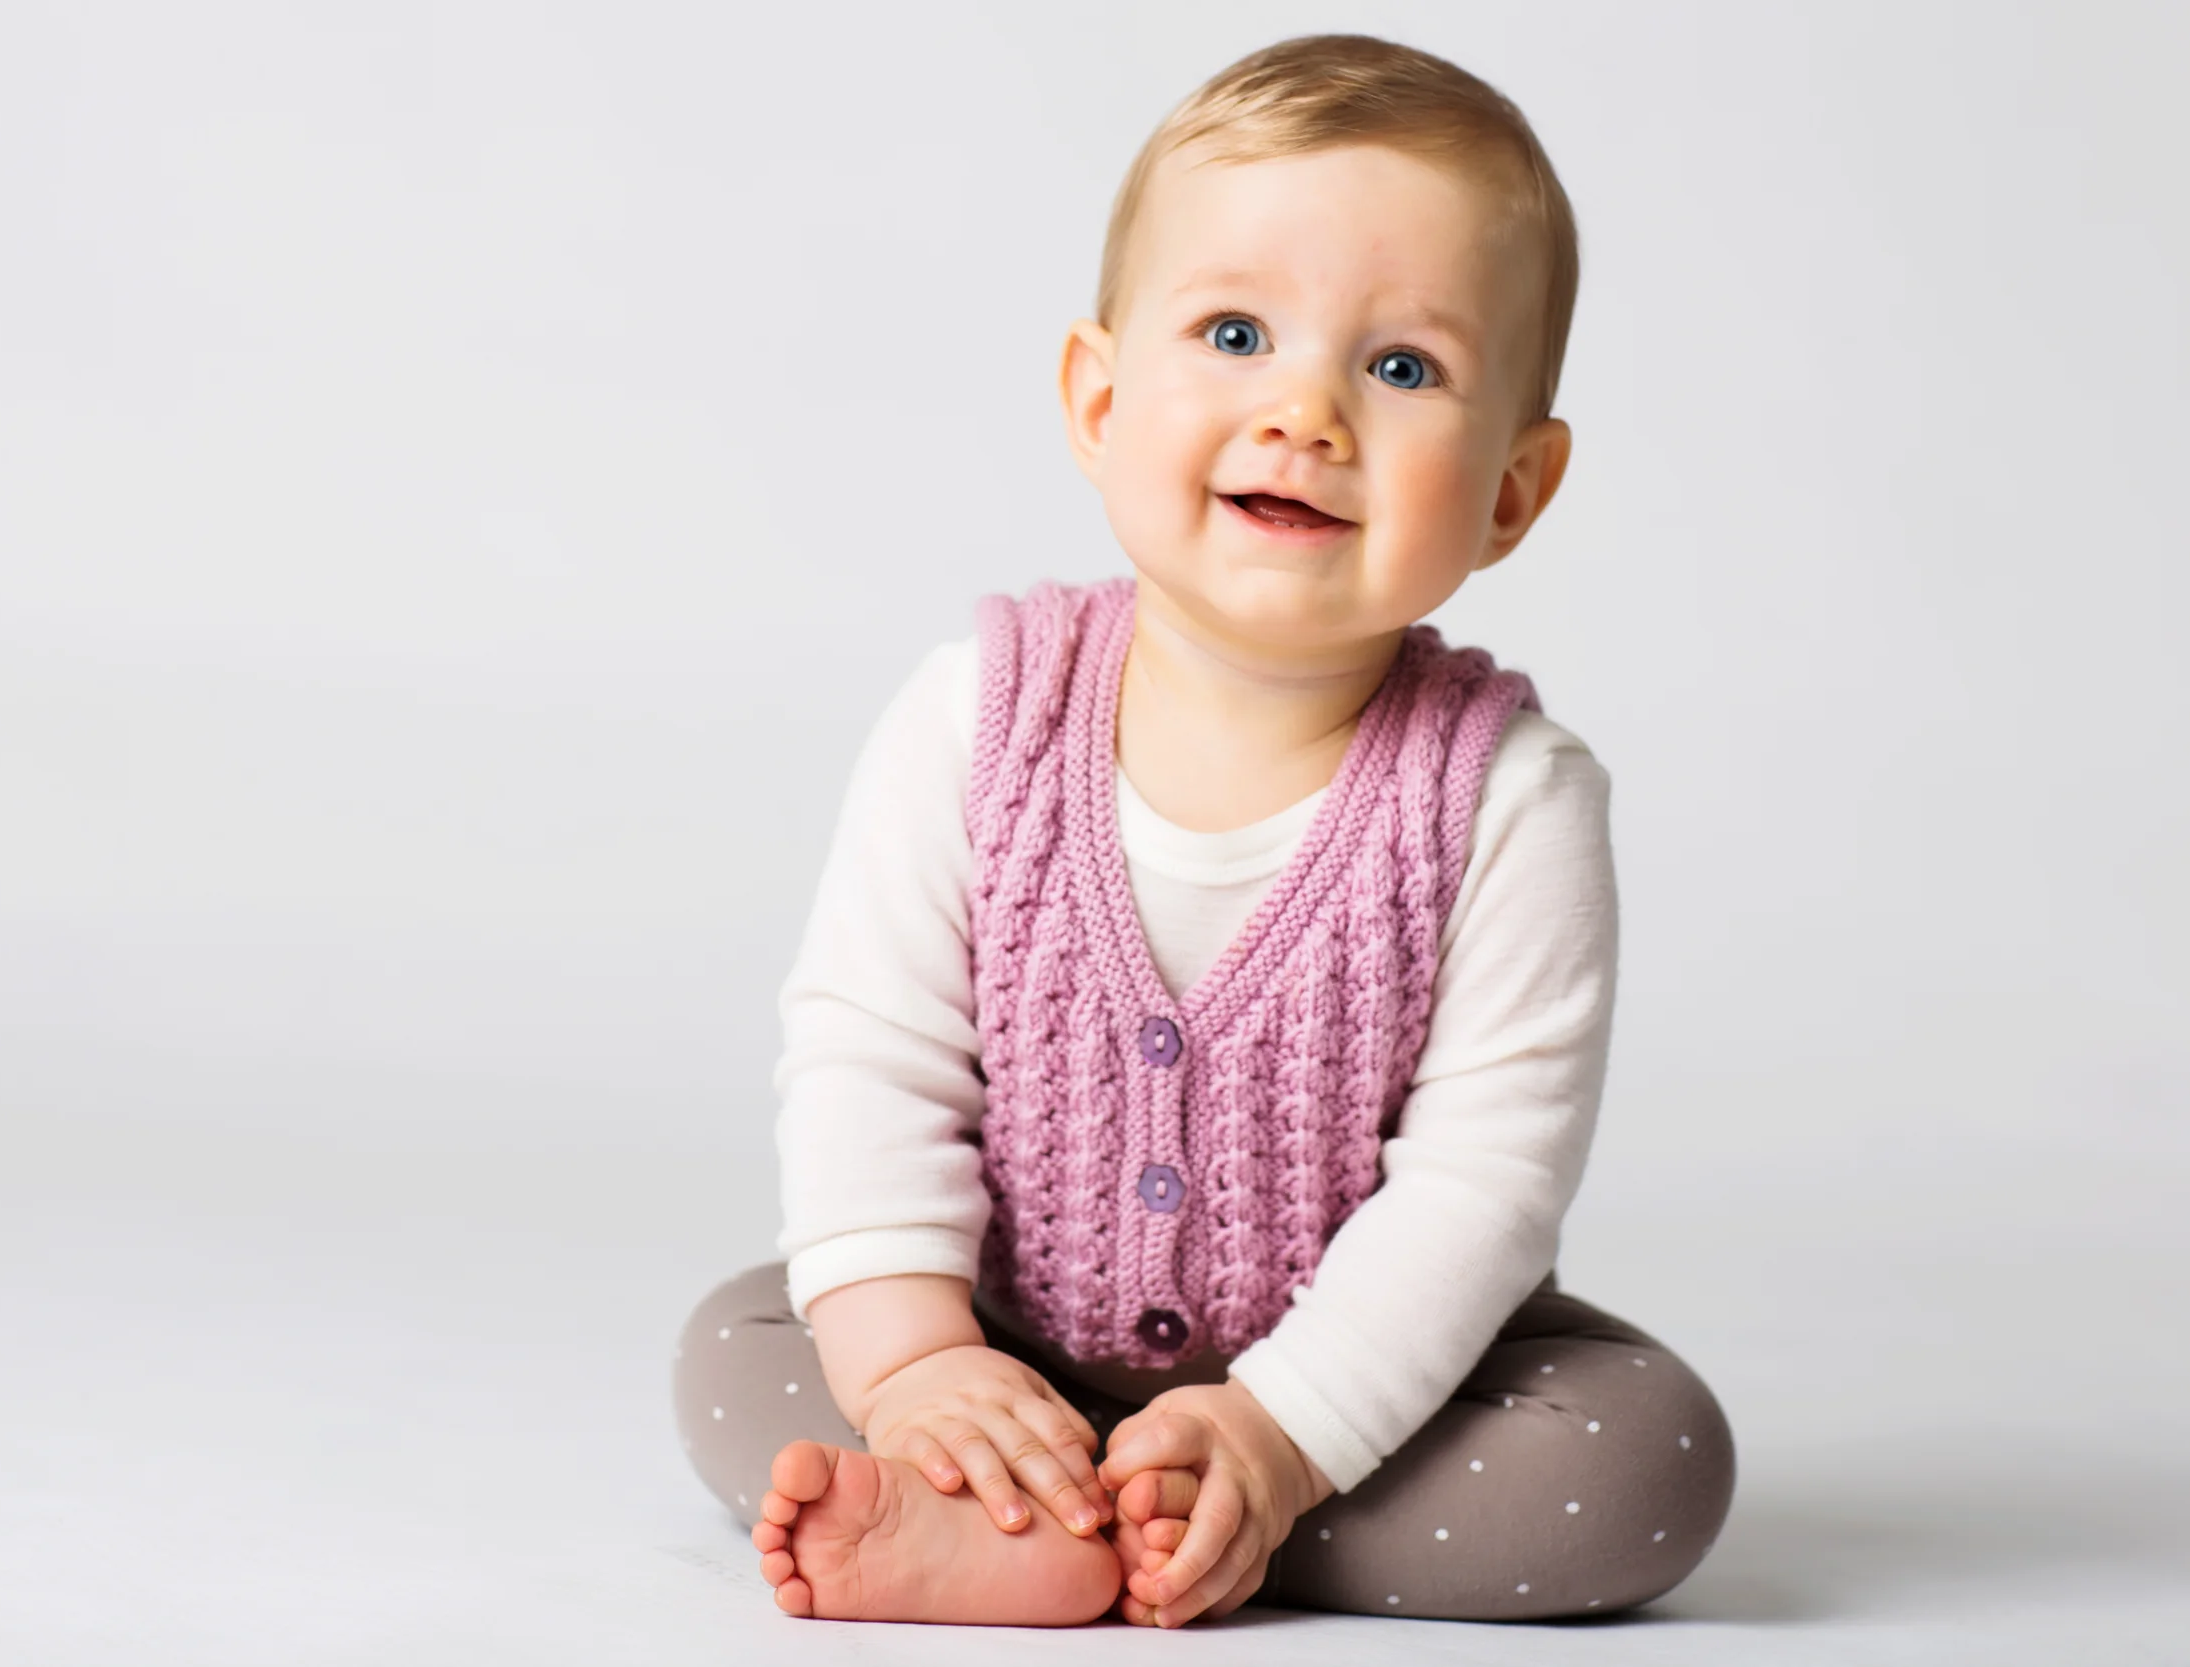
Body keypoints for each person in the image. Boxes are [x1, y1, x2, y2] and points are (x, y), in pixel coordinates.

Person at [671, 30, 1735, 1629]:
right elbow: (867, 1056)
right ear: (1100, 400)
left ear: (1513, 492)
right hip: (1004, 1336)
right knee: (743, 1345)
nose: (1304, 409)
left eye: (1401, 368)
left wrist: (1285, 1432)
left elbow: (1483, 1187)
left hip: (1367, 1399)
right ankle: (1020, 1479)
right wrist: (918, 1367)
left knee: (1646, 1460)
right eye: (1236, 332)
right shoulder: (979, 718)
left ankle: (1147, 1521)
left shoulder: (1508, 796)